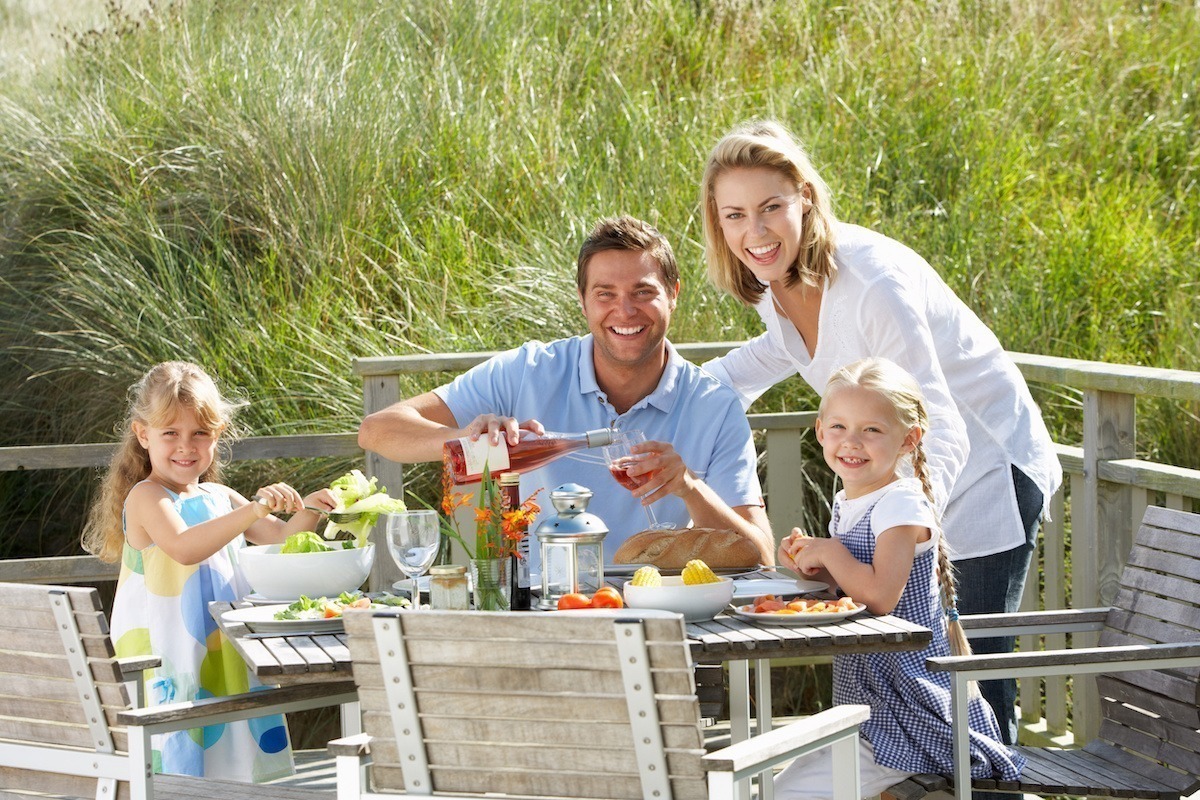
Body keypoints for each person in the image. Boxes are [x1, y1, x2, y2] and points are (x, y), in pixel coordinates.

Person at [699, 119, 1061, 742]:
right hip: (906, 494)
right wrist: (669, 396)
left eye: (770, 208)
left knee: (970, 684)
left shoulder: (872, 283)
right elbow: (772, 353)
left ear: (804, 199)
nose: (753, 233)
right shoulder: (773, 280)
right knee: (910, 680)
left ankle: (995, 782)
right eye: (734, 215)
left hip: (986, 472)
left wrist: (905, 528)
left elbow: (939, 418)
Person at [357, 215, 774, 568]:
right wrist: (468, 441)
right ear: (582, 300)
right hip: (541, 615)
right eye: (605, 294)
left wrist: (687, 486)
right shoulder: (527, 371)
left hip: (661, 614)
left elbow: (761, 554)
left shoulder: (714, 405)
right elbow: (377, 431)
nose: (625, 311)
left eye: (643, 292)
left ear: (674, 294)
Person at [774, 358, 1023, 798]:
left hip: (908, 710)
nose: (851, 442)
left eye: (871, 430)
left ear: (909, 440)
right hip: (869, 701)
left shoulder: (901, 505)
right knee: (772, 782)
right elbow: (851, 591)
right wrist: (812, 568)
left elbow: (881, 596)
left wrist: (830, 551)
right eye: (838, 427)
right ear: (819, 431)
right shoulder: (850, 500)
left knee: (782, 793)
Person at [81, 361, 339, 782]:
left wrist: (310, 507)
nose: (186, 446)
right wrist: (254, 509)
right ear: (143, 434)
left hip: (224, 654)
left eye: (200, 433)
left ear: (216, 436)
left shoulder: (220, 496)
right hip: (170, 661)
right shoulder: (146, 497)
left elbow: (284, 538)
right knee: (185, 754)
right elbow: (184, 547)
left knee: (233, 752)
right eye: (171, 434)